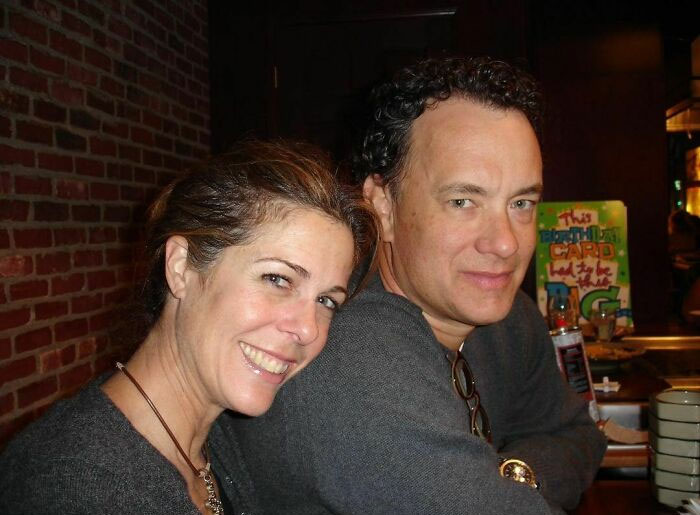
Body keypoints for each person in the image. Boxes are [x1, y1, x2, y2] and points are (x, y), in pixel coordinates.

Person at [211, 57, 608, 514]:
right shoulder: (352, 355)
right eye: (462, 201)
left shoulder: (508, 315)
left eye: (521, 203)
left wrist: (511, 474)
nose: (505, 243)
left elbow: (579, 435)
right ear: (382, 205)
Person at [0, 140, 377, 514]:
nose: (309, 330)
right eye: (277, 279)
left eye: (327, 301)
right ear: (181, 267)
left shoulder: (213, 439)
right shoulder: (77, 488)